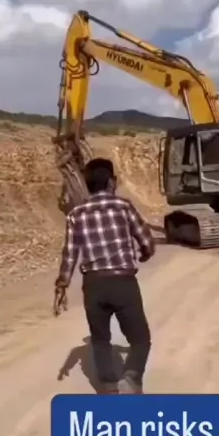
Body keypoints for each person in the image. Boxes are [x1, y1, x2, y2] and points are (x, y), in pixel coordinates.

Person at [54, 157, 155, 394]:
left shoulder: (75, 215)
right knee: (140, 340)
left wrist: (62, 284)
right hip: (123, 282)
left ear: (87, 185)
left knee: (100, 340)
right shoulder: (124, 207)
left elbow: (70, 253)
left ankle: (109, 388)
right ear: (111, 182)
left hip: (94, 286)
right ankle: (131, 378)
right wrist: (145, 254)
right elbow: (146, 241)